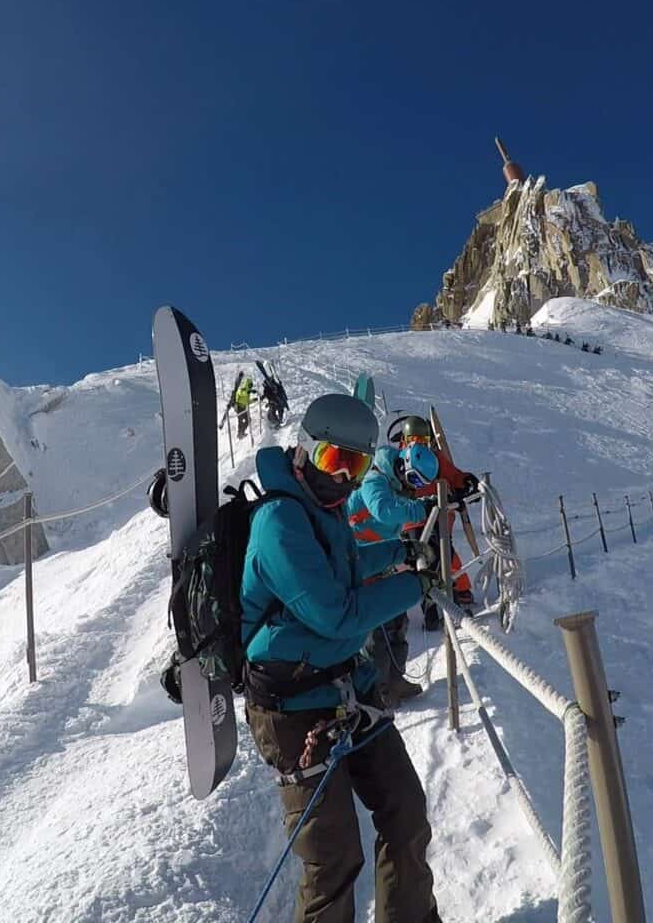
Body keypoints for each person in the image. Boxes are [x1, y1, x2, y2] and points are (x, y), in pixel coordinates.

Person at [241, 393, 443, 923]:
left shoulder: (324, 511)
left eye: (356, 464)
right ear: (306, 451)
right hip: (292, 709)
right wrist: (414, 586)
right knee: (333, 860)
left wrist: (401, 552)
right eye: (335, 460)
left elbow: (350, 565)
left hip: (346, 686)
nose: (346, 478)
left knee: (405, 814)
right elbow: (336, 613)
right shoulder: (280, 521)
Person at [347, 442, 440, 704]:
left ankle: (395, 680)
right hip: (361, 562)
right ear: (402, 465)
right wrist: (421, 508)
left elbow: (398, 505)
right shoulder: (374, 478)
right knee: (377, 631)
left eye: (418, 483)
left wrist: (428, 500)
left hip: (382, 560)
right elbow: (384, 511)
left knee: (398, 620)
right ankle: (377, 689)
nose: (412, 486)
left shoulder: (394, 483)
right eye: (412, 478)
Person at [393, 415, 478, 630]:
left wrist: (466, 482)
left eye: (423, 440)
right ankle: (430, 608)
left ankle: (459, 594)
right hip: (411, 521)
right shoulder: (398, 460)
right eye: (414, 439)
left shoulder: (435, 458)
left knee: (444, 554)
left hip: (439, 514)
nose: (419, 444)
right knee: (421, 561)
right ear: (405, 438)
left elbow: (453, 474)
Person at [234, 374, 254, 439]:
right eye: (250, 385)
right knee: (240, 421)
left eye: (251, 386)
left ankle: (242, 432)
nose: (251, 387)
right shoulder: (242, 389)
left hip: (244, 408)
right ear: (247, 384)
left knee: (248, 420)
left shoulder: (248, 392)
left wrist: (253, 400)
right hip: (239, 407)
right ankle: (240, 434)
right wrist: (249, 391)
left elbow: (247, 401)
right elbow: (241, 393)